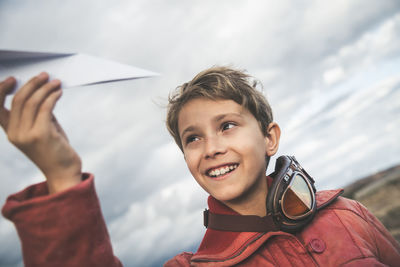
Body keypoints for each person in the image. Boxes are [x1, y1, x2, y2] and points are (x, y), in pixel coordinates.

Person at [0, 67, 399, 266]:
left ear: (270, 138)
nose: (211, 148)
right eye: (193, 138)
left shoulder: (348, 215)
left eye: (227, 126)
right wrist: (62, 177)